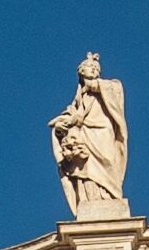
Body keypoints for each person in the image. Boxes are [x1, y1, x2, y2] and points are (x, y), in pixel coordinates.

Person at [50, 54, 130, 219]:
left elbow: (116, 92)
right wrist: (61, 127)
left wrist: (95, 86)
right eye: (90, 67)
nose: (94, 69)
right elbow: (70, 115)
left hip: (103, 132)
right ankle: (93, 199)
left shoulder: (108, 85)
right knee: (87, 170)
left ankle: (109, 195)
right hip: (85, 134)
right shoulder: (79, 98)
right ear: (81, 72)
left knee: (107, 164)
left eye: (96, 69)